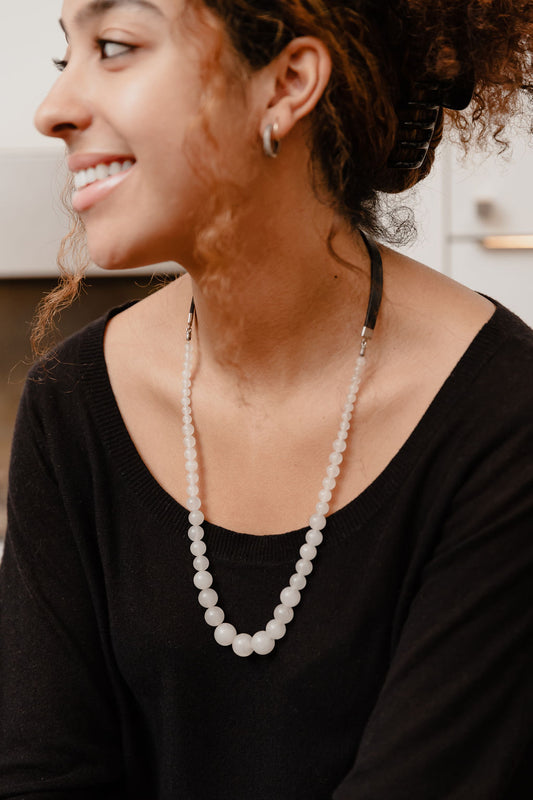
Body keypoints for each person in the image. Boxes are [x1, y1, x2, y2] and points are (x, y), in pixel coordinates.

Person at [1, 0, 532, 797]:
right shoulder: (72, 402)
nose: (55, 110)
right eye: (62, 57)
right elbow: (38, 772)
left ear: (286, 85)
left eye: (114, 47)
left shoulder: (503, 413)